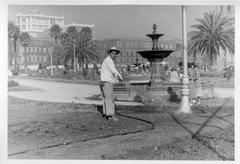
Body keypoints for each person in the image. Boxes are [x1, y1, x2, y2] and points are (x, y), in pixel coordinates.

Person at [100, 47, 123, 121]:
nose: (114, 55)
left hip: (104, 81)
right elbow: (113, 70)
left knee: (106, 98)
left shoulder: (107, 60)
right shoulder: (109, 61)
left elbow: (113, 70)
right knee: (109, 98)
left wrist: (118, 76)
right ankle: (110, 115)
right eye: (113, 53)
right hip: (107, 82)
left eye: (115, 54)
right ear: (110, 53)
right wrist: (120, 77)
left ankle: (106, 113)